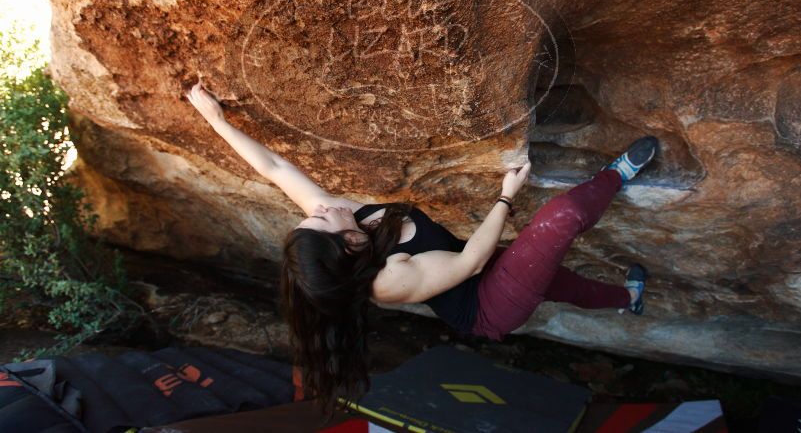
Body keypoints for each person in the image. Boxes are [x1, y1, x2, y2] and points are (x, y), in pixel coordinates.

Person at [185, 79, 658, 416]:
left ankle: (629, 299)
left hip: (480, 267)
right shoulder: (390, 280)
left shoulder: (346, 221)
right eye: (320, 219)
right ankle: (616, 174)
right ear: (348, 248)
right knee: (557, 220)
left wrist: (216, 120)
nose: (323, 207)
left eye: (314, 213)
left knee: (562, 283)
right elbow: (471, 262)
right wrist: (506, 195)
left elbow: (274, 168)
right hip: (489, 305)